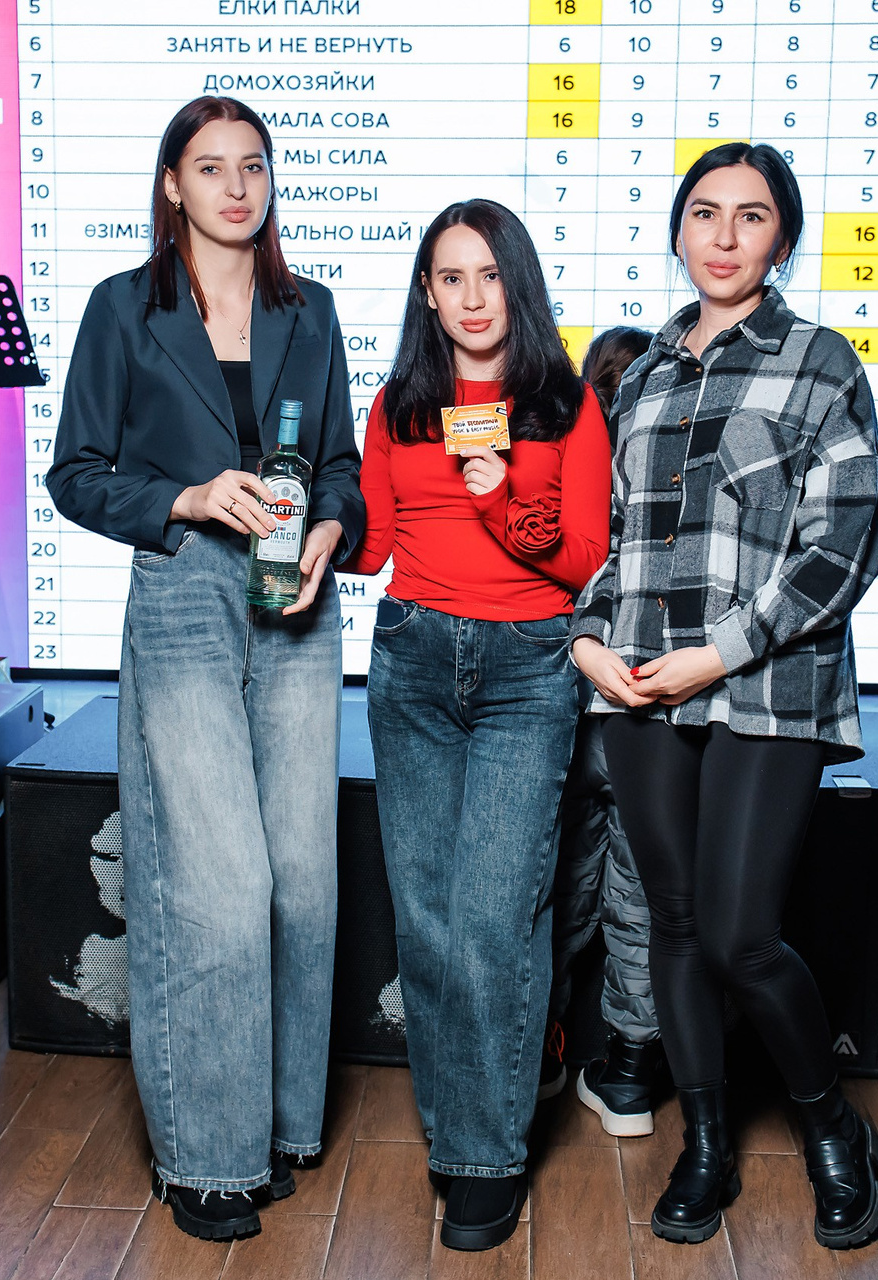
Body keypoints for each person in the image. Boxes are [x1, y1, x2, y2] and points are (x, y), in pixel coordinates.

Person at [46, 95, 364, 1243]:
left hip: (297, 603)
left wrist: (332, 526)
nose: (237, 186)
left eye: (255, 166)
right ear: (173, 184)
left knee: (302, 883)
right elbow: (76, 473)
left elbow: (340, 464)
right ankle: (207, 1155)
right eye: (213, 167)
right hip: (184, 591)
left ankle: (279, 1125)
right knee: (218, 886)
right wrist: (182, 497)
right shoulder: (122, 308)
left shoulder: (308, 309)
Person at [570, 142, 878, 1249]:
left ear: (781, 240)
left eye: (751, 216)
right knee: (674, 922)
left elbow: (842, 549)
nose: (724, 235)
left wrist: (720, 653)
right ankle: (705, 1144)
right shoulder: (644, 376)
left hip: (770, 686)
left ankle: (832, 1127)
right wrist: (587, 637)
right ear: (678, 230)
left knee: (742, 936)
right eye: (704, 212)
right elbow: (616, 541)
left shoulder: (820, 363)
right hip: (641, 683)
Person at [345, 198, 611, 1251]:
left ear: (518, 284)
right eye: (451, 278)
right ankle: (457, 1132)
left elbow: (584, 558)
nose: (471, 298)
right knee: (428, 921)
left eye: (489, 276)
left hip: (527, 668)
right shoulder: (398, 406)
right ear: (426, 292)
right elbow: (372, 545)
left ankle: (487, 1158)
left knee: (497, 919)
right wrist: (303, 520)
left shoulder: (565, 404)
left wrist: (500, 500)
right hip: (412, 657)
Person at [543, 326, 673, 1140]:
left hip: (560, 704)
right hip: (641, 710)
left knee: (547, 890)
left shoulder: (564, 446)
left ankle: (539, 1054)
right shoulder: (666, 457)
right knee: (640, 900)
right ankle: (628, 1074)